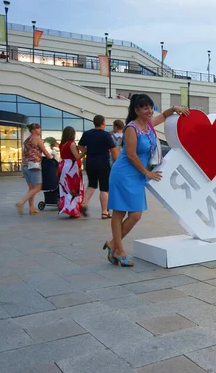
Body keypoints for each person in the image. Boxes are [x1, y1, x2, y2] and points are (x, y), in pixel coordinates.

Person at [104, 95, 189, 266]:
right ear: (136, 110)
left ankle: (113, 244)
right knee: (119, 212)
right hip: (124, 174)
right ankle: (119, 250)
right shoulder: (131, 128)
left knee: (135, 215)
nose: (149, 111)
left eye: (151, 107)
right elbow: (131, 155)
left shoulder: (148, 124)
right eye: (145, 108)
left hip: (136, 175)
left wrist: (174, 109)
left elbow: (163, 116)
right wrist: (147, 173)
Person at [79, 115, 119, 219]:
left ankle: (84, 203)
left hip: (90, 162)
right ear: (103, 123)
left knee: (91, 184)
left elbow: (80, 146)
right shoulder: (106, 135)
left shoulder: (87, 133)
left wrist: (86, 151)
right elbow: (114, 151)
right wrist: (118, 163)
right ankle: (104, 212)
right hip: (103, 163)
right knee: (104, 188)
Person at [16, 123, 54, 214]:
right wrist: (51, 157)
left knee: (31, 188)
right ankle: (21, 202)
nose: (40, 130)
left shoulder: (27, 140)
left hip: (25, 166)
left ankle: (31, 208)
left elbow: (25, 153)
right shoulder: (37, 138)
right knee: (37, 188)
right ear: (33, 130)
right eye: (38, 129)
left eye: (40, 128)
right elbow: (45, 151)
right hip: (34, 166)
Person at [58, 126, 86, 217]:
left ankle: (68, 207)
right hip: (71, 167)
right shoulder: (71, 144)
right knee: (75, 188)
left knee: (66, 189)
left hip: (63, 166)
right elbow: (77, 156)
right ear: (72, 134)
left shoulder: (62, 144)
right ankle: (74, 210)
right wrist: (85, 151)